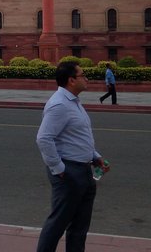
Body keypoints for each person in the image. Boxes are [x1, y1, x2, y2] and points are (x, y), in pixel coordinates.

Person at [36, 61, 109, 252]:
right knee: (57, 223)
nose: (87, 79)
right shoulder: (59, 104)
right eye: (83, 75)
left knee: (79, 226)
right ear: (71, 80)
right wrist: (59, 168)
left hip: (84, 169)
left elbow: (76, 137)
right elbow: (44, 138)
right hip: (69, 171)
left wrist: (95, 156)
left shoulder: (73, 102)